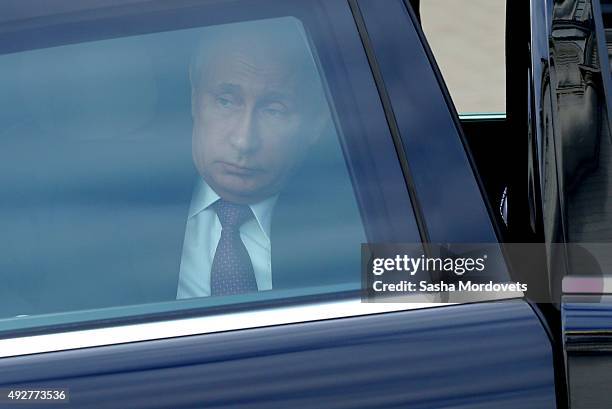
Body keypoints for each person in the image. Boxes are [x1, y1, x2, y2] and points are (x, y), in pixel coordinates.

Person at [177, 19, 337, 298]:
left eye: (274, 110)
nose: (244, 140)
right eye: (226, 101)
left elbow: (426, 308)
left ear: (316, 122)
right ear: (194, 97)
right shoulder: (113, 216)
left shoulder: (367, 220)